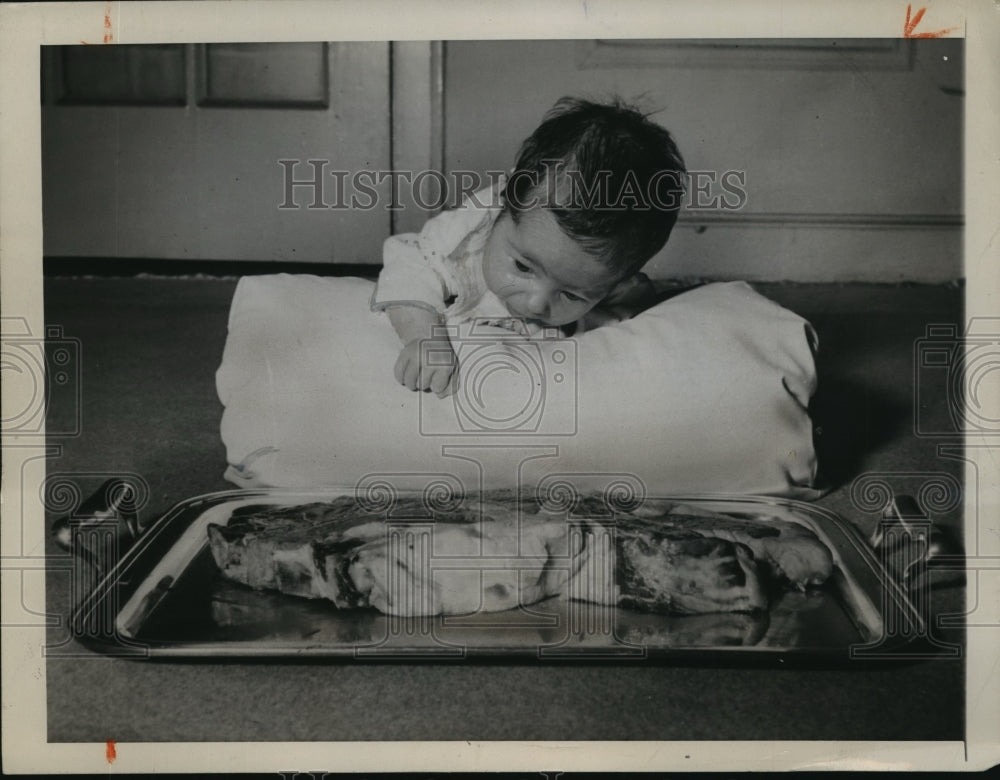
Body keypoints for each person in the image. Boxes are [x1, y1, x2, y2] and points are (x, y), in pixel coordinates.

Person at [371, 96, 686, 397]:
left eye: (571, 294)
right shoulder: (466, 241)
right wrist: (423, 336)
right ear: (503, 206)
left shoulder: (601, 286)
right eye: (522, 267)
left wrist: (633, 301)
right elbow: (409, 261)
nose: (537, 304)